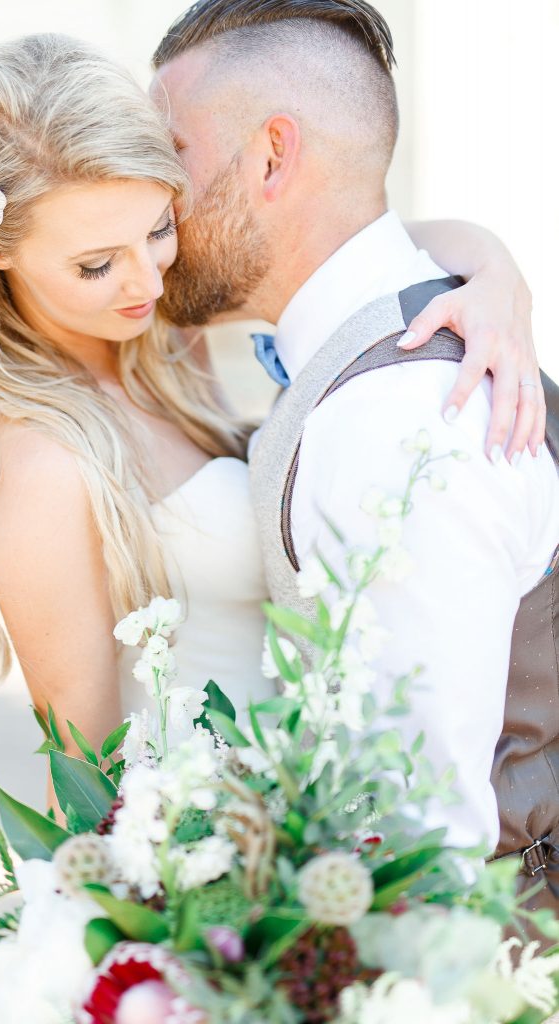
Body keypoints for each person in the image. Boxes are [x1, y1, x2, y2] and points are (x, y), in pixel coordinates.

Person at [0, 32, 543, 778]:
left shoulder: (158, 333)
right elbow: (87, 776)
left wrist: (493, 276)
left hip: (317, 810)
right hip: (210, 856)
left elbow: (342, 248)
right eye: (95, 265)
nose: (148, 283)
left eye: (161, 228)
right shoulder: (37, 456)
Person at [151, 0, 559, 901]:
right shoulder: (386, 340)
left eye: (168, 154)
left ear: (270, 155)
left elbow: (421, 845)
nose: (150, 195)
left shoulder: (405, 420)